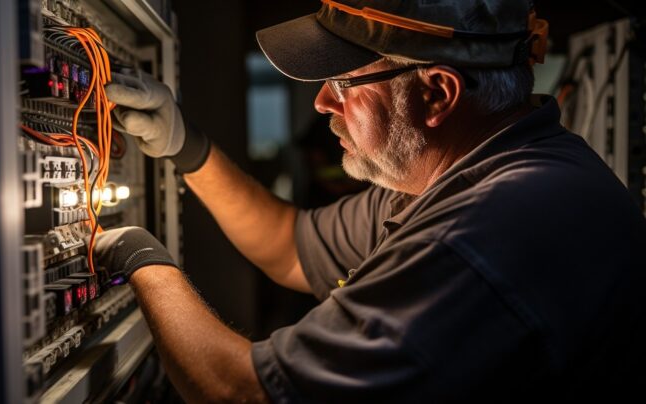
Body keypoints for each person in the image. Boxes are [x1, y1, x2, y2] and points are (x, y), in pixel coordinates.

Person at [97, 0, 646, 402]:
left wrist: (142, 259)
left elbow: (240, 393)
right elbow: (289, 246)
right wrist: (187, 147)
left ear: (435, 92)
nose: (320, 102)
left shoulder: (491, 228)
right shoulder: (463, 175)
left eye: (341, 80)